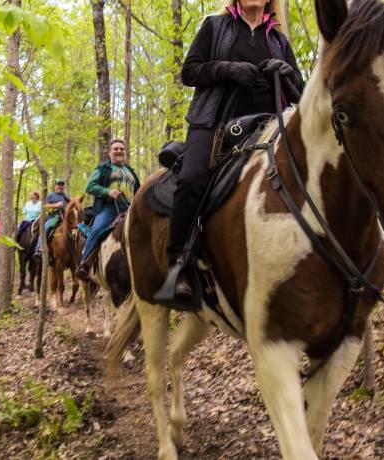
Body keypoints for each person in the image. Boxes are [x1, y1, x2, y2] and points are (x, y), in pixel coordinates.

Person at [156, 0, 304, 307]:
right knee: (193, 178)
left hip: (270, 124)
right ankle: (179, 265)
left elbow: (300, 94)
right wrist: (227, 69)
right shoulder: (214, 26)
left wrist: (287, 73)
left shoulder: (278, 40)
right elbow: (189, 72)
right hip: (217, 122)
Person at [76, 139, 140, 281]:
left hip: (130, 209)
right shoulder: (103, 169)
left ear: (125, 151)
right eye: (115, 149)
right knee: (97, 229)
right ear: (110, 152)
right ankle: (84, 264)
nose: (119, 151)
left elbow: (139, 191)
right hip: (109, 208)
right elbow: (90, 186)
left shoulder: (131, 172)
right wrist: (107, 191)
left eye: (121, 149)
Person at [35, 179, 71, 255]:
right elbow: (45, 206)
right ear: (55, 186)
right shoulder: (51, 195)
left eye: (62, 185)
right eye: (58, 185)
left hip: (65, 218)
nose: (60, 186)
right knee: (46, 227)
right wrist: (56, 205)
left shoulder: (66, 196)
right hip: (54, 217)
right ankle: (39, 247)